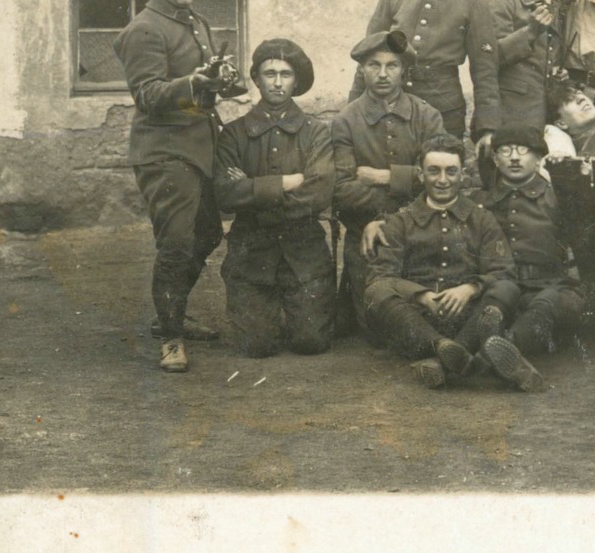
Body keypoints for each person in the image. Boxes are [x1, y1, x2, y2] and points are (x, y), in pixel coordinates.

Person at [113, 0, 247, 373]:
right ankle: (170, 337)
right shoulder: (145, 29)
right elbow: (148, 95)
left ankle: (170, 313)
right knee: (176, 243)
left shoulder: (196, 21)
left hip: (199, 145)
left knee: (207, 234)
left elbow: (203, 83)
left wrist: (223, 80)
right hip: (165, 150)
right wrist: (193, 82)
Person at [365, 134, 542, 392]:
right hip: (419, 321)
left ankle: (443, 361)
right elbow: (381, 276)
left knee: (507, 289)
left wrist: (470, 289)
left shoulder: (481, 218)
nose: (443, 180)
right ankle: (448, 349)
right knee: (375, 291)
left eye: (451, 171)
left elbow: (503, 271)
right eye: (433, 171)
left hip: (468, 316)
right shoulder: (401, 222)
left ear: (463, 174)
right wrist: (421, 296)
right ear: (420, 174)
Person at [213, 39, 335, 358]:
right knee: (257, 345)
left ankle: (297, 308)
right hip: (252, 251)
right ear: (256, 78)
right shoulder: (234, 134)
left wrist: (252, 189)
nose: (278, 82)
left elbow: (319, 191)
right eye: (269, 74)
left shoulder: (315, 132)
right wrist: (286, 183)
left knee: (311, 342)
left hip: (304, 250)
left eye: (286, 74)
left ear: (296, 81)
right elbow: (225, 194)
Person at [352, 0, 500, 151]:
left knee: (441, 175)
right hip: (392, 101)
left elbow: (485, 70)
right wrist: (354, 107)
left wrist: (487, 126)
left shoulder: (473, 1)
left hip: (444, 105)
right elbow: (368, 57)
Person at [331, 30, 446, 340]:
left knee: (436, 314)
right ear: (361, 70)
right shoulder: (345, 121)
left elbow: (441, 181)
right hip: (368, 233)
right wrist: (408, 182)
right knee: (379, 334)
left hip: (421, 228)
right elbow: (342, 190)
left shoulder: (428, 116)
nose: (382, 74)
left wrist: (383, 177)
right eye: (373, 65)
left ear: (403, 70)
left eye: (391, 65)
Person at [475, 125, 584, 359]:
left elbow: (588, 238)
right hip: (504, 291)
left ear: (538, 160)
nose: (514, 158)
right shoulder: (481, 203)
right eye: (505, 151)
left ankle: (498, 353)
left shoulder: (558, 198)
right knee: (493, 304)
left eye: (523, 151)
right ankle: (499, 355)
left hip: (551, 288)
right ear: (495, 159)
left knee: (547, 302)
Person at [486, 0, 571, 131]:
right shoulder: (501, 0)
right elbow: (490, 58)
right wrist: (531, 32)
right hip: (510, 113)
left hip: (548, 115)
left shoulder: (557, 4)